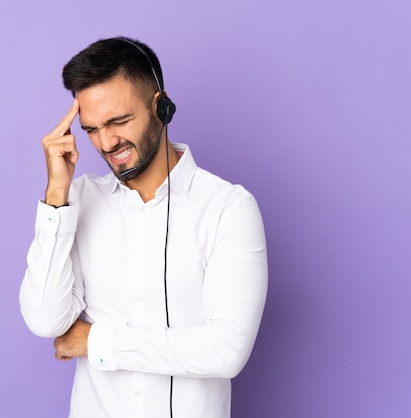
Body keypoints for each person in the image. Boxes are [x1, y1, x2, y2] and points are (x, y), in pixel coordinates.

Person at [19, 36, 268, 418]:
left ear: (161, 106)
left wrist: (97, 340)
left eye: (119, 121)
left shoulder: (228, 208)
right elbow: (45, 319)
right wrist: (56, 194)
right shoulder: (77, 200)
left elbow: (225, 350)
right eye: (91, 128)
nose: (107, 142)